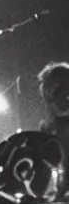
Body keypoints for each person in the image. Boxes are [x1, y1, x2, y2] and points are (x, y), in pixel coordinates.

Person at [38, 60, 69, 195]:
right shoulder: (47, 88)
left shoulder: (59, 84)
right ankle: (62, 185)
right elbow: (52, 110)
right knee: (64, 153)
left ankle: (63, 186)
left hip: (62, 119)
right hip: (61, 120)